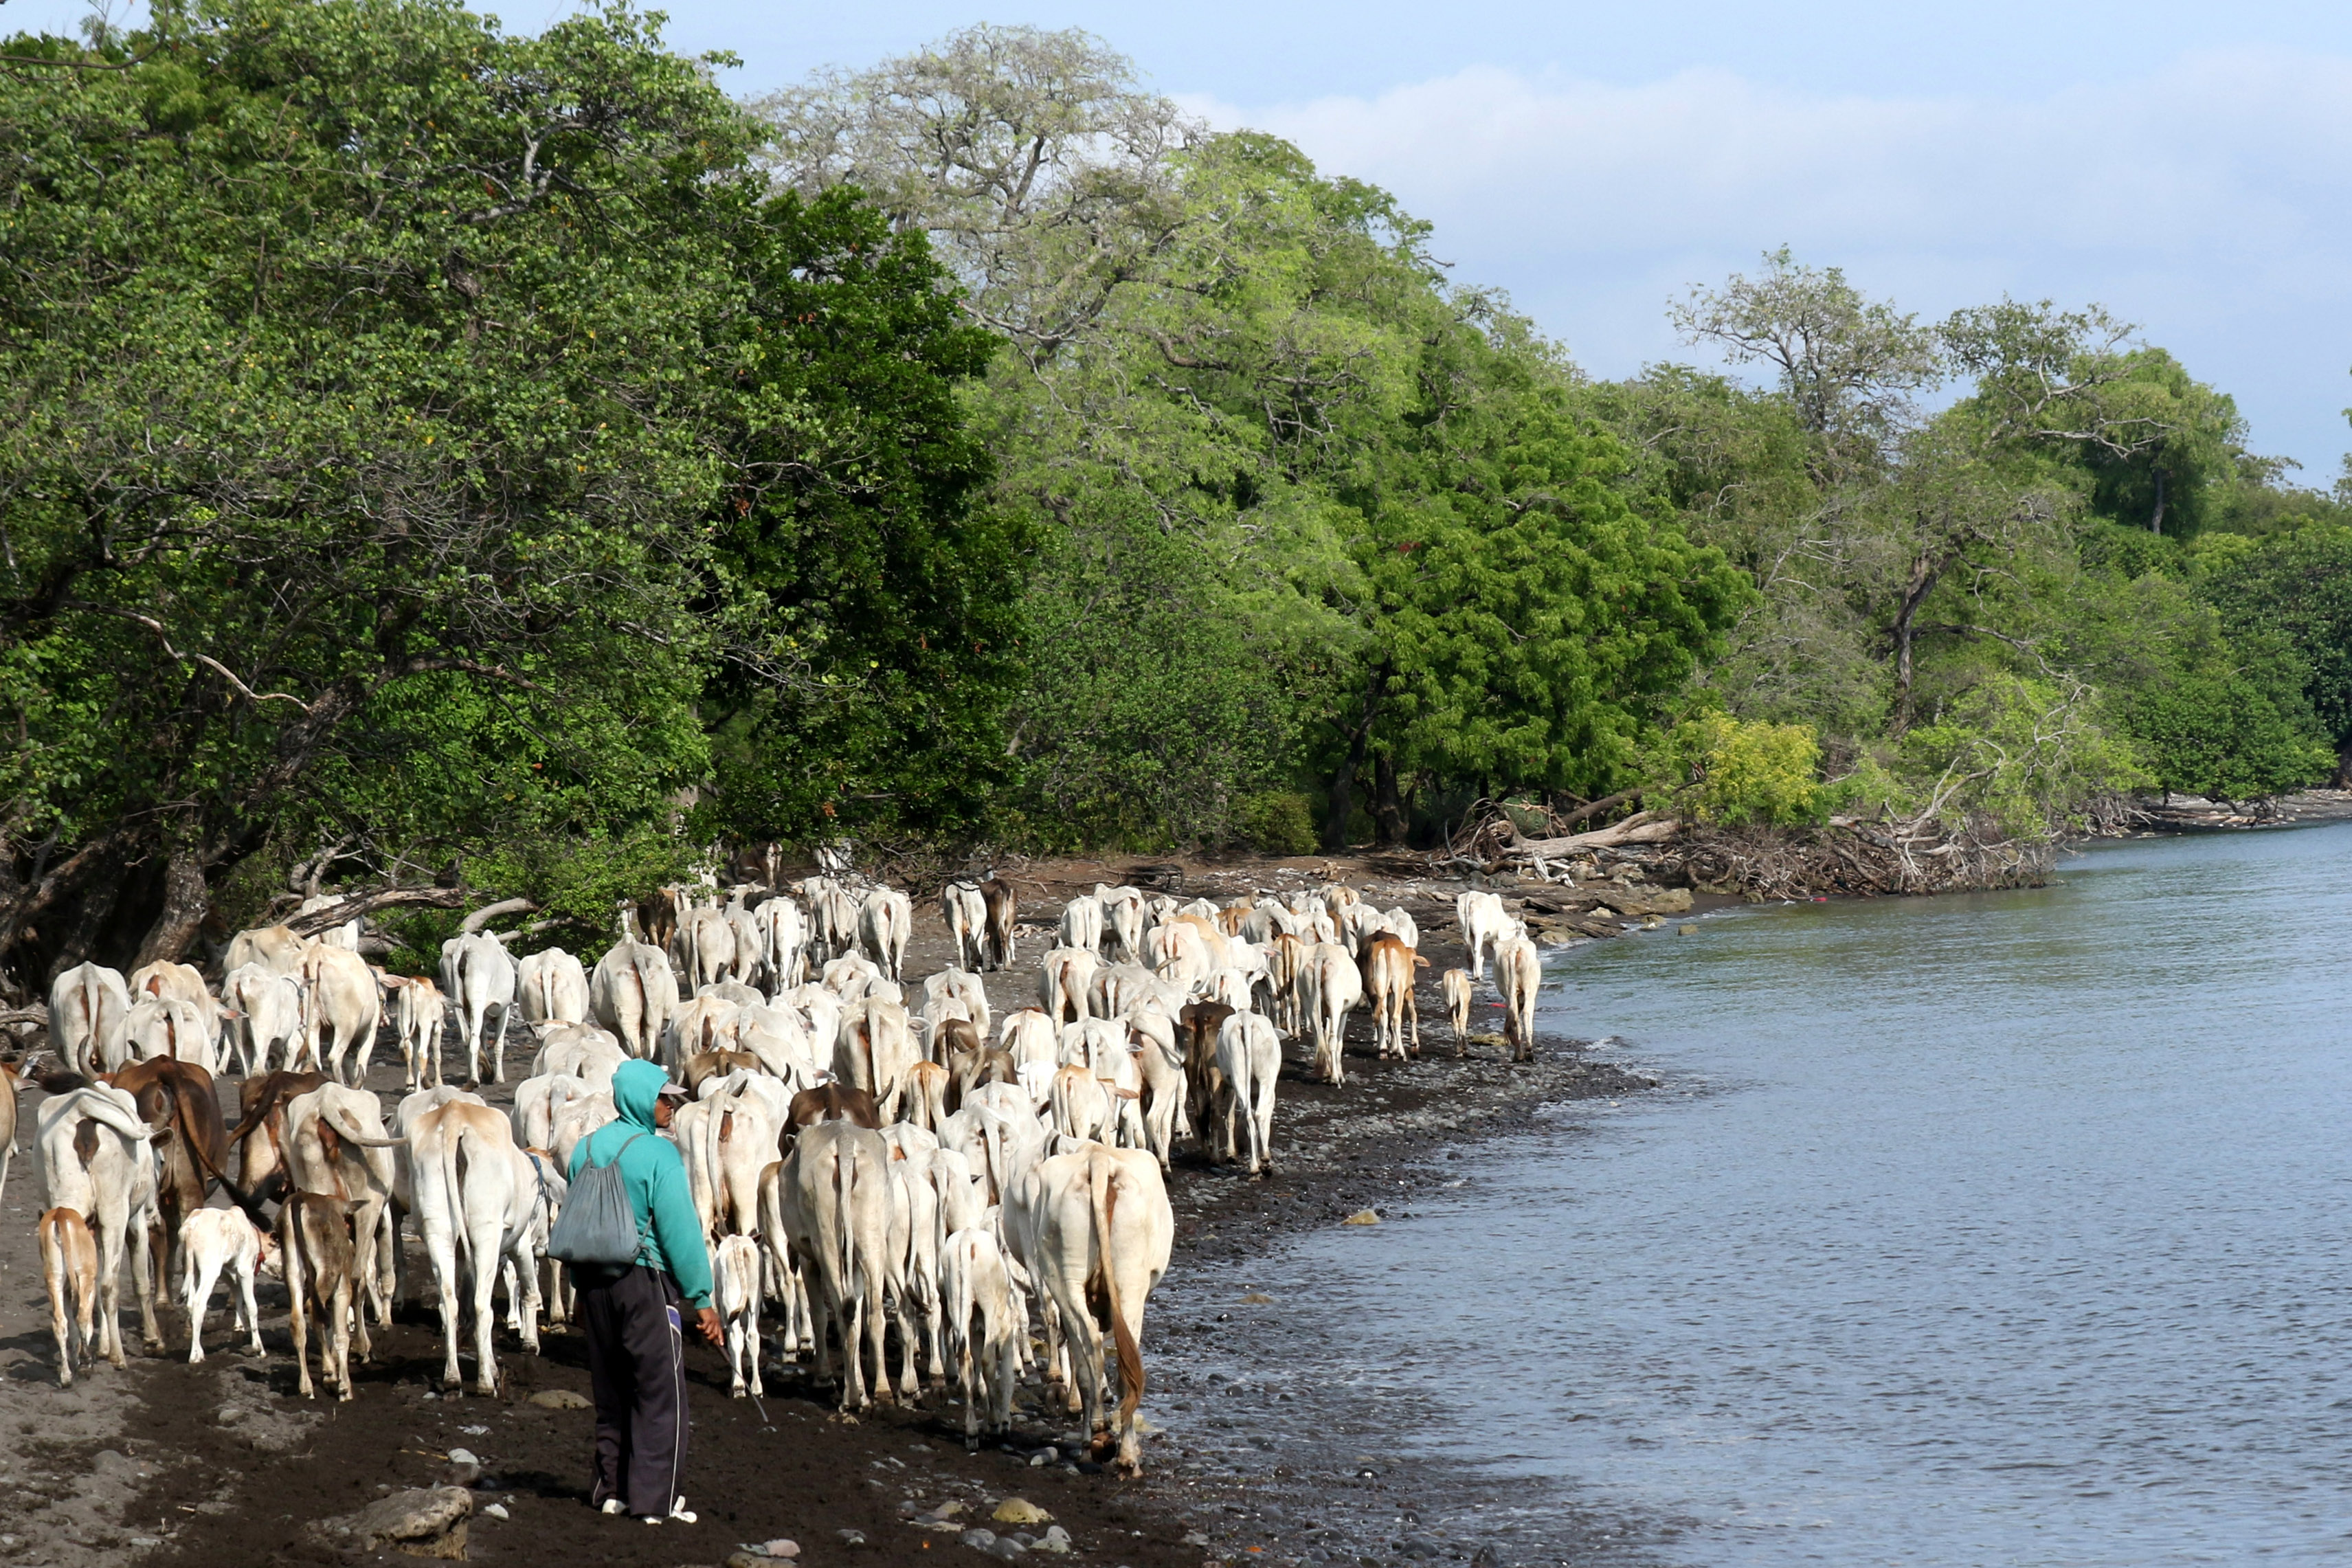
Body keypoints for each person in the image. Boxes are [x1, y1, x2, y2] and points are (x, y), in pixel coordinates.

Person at [568, 1057, 723, 1525]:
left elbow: (577, 1219)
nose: (671, 1105)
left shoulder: (585, 1148)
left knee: (611, 1390)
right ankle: (654, 1501)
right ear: (640, 1099)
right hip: (642, 1283)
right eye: (662, 1097)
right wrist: (701, 1297)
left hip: (593, 1286)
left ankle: (610, 1489)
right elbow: (681, 1231)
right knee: (659, 1393)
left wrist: (579, 1287)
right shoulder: (658, 1154)